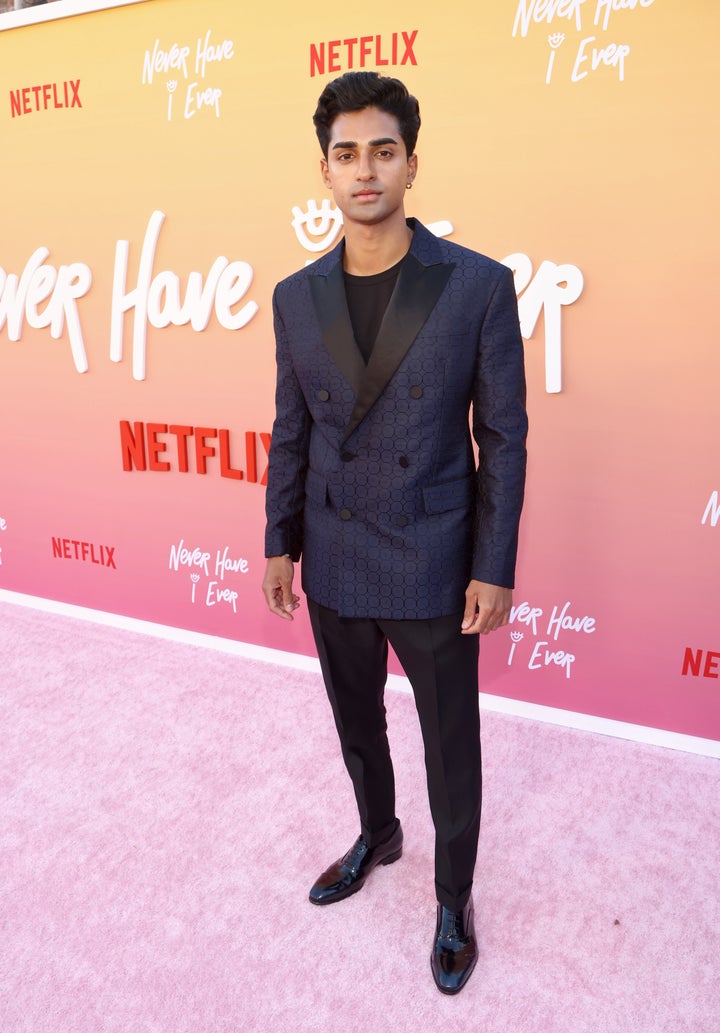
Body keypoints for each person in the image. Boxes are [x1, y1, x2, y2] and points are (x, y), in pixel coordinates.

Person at [262, 71, 527, 995]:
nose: (363, 170)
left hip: (432, 554)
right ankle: (379, 833)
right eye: (345, 154)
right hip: (332, 552)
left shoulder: (477, 287)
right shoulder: (295, 298)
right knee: (356, 720)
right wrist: (277, 539)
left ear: (412, 162)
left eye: (382, 151)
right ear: (324, 172)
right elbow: (290, 427)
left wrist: (493, 567)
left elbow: (502, 437)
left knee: (450, 740)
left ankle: (453, 897)